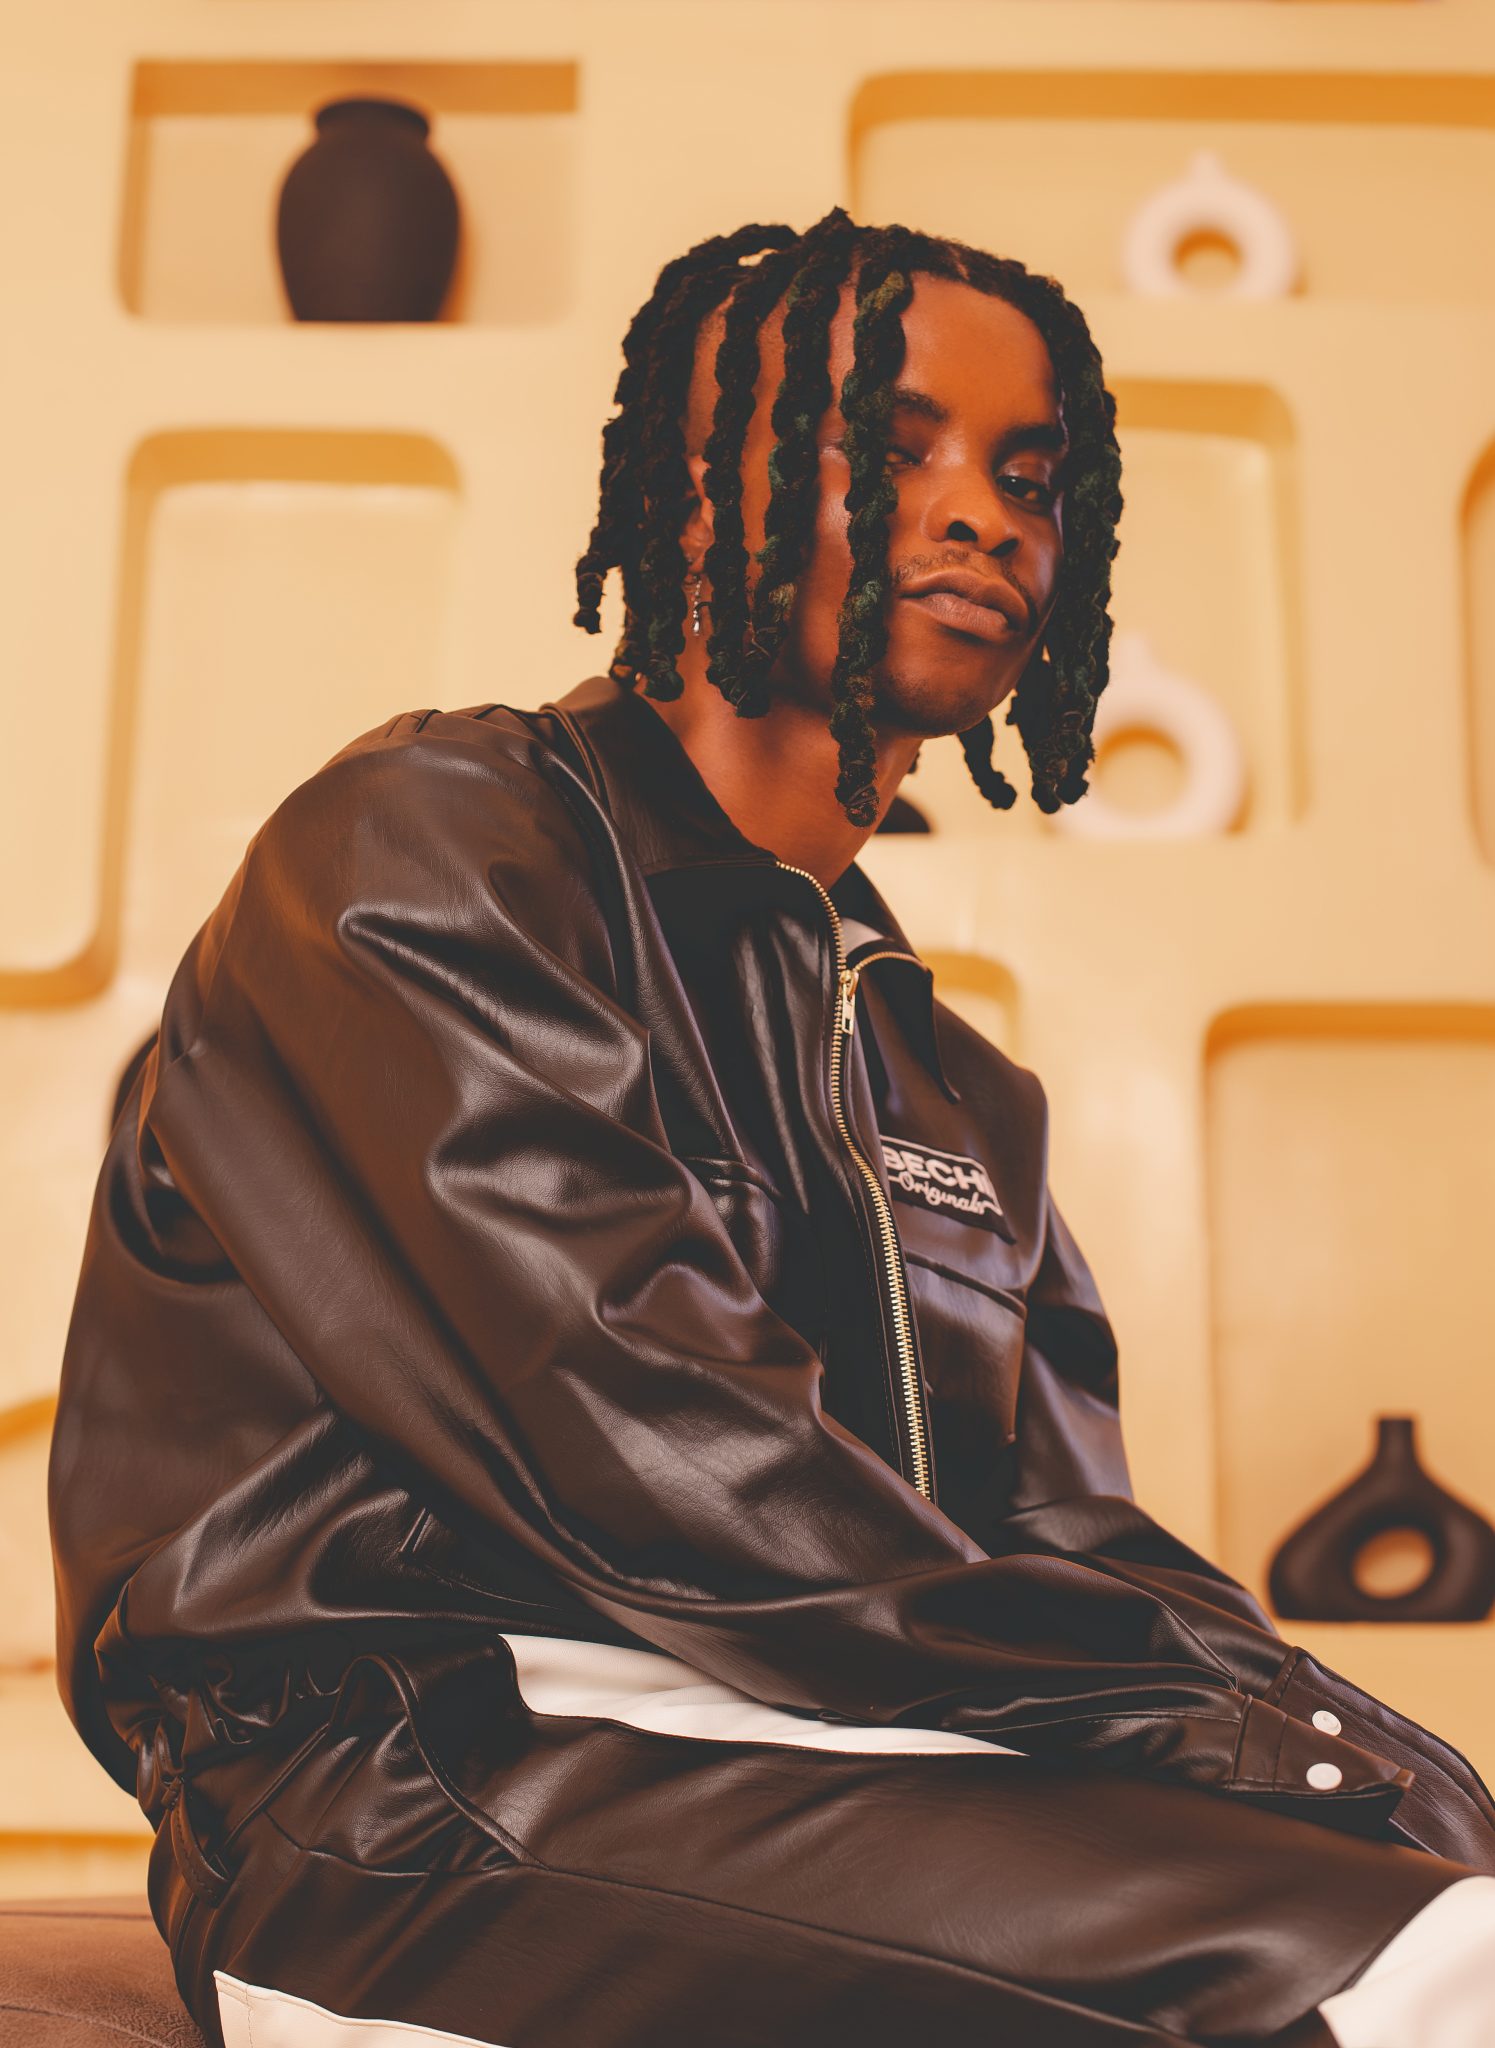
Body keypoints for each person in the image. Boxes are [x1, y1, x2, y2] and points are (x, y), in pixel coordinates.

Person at [48, 207, 1495, 2048]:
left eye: (1028, 478)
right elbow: (655, 1448)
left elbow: (1072, 1540)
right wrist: (1265, 1735)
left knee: (1455, 1912)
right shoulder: (430, 849)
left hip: (828, 1736)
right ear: (690, 492)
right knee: (1425, 1977)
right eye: (888, 450)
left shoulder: (951, 1081)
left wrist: (1359, 1747)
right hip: (416, 1789)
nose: (984, 518)